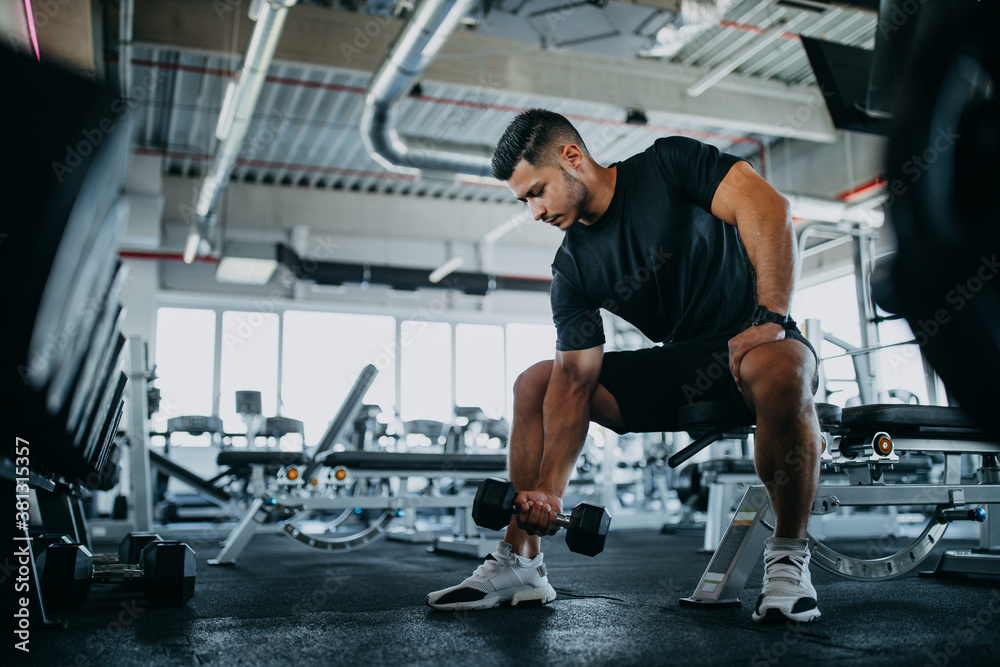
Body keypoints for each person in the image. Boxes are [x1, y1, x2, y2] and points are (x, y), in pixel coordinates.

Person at [427, 109, 824, 624]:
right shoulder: (573, 267)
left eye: (537, 191)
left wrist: (771, 317)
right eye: (524, 200)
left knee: (783, 366)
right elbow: (574, 383)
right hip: (682, 367)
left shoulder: (668, 165)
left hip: (759, 342)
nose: (533, 212)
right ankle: (520, 560)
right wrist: (548, 490)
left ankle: (788, 558)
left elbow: (768, 208)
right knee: (536, 382)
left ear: (573, 157)